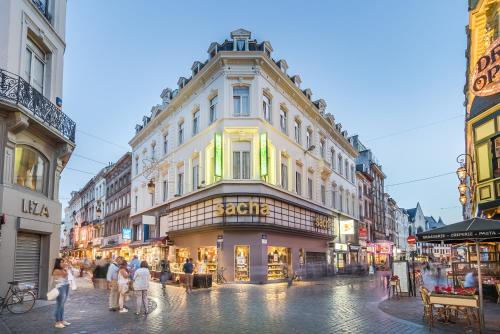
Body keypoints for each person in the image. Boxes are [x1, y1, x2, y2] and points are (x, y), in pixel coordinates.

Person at [52, 258, 71, 329]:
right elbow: (65, 275)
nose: (63, 263)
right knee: (59, 305)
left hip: (65, 286)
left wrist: (65, 268)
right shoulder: (56, 270)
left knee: (62, 305)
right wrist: (65, 268)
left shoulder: (63, 269)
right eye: (61, 262)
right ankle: (57, 322)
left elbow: (67, 275)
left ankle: (62, 320)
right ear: (58, 263)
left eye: (63, 262)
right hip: (60, 287)